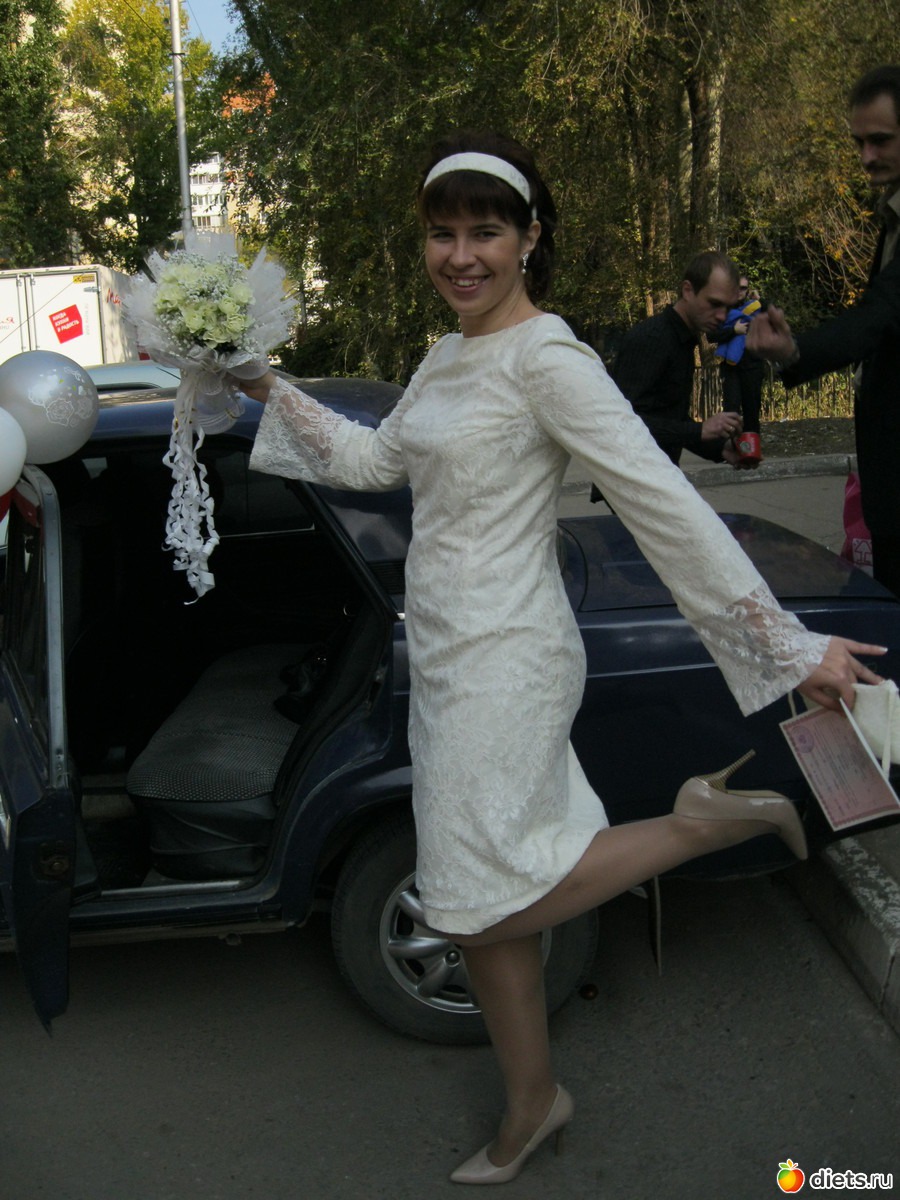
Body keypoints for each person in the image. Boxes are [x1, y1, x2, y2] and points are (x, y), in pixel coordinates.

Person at [236, 131, 883, 1185]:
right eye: (442, 234)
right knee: (480, 896)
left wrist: (785, 645)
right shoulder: (445, 356)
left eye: (485, 232)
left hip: (511, 655)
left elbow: (662, 503)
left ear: (529, 237)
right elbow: (370, 459)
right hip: (444, 651)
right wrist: (263, 383)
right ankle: (533, 1101)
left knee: (470, 896)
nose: (461, 256)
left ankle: (702, 823)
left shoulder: (550, 358)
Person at [747, 65, 900, 595]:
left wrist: (794, 350)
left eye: (880, 140)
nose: (866, 157)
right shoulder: (891, 213)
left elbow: (879, 315)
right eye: (859, 143)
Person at [715, 274, 767, 464]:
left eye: (743, 288)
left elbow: (773, 320)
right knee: (731, 409)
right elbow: (711, 335)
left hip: (753, 365)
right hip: (731, 368)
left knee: (752, 408)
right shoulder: (722, 310)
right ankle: (732, 448)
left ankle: (751, 450)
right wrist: (733, 330)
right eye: (737, 287)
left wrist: (761, 301)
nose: (740, 291)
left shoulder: (755, 308)